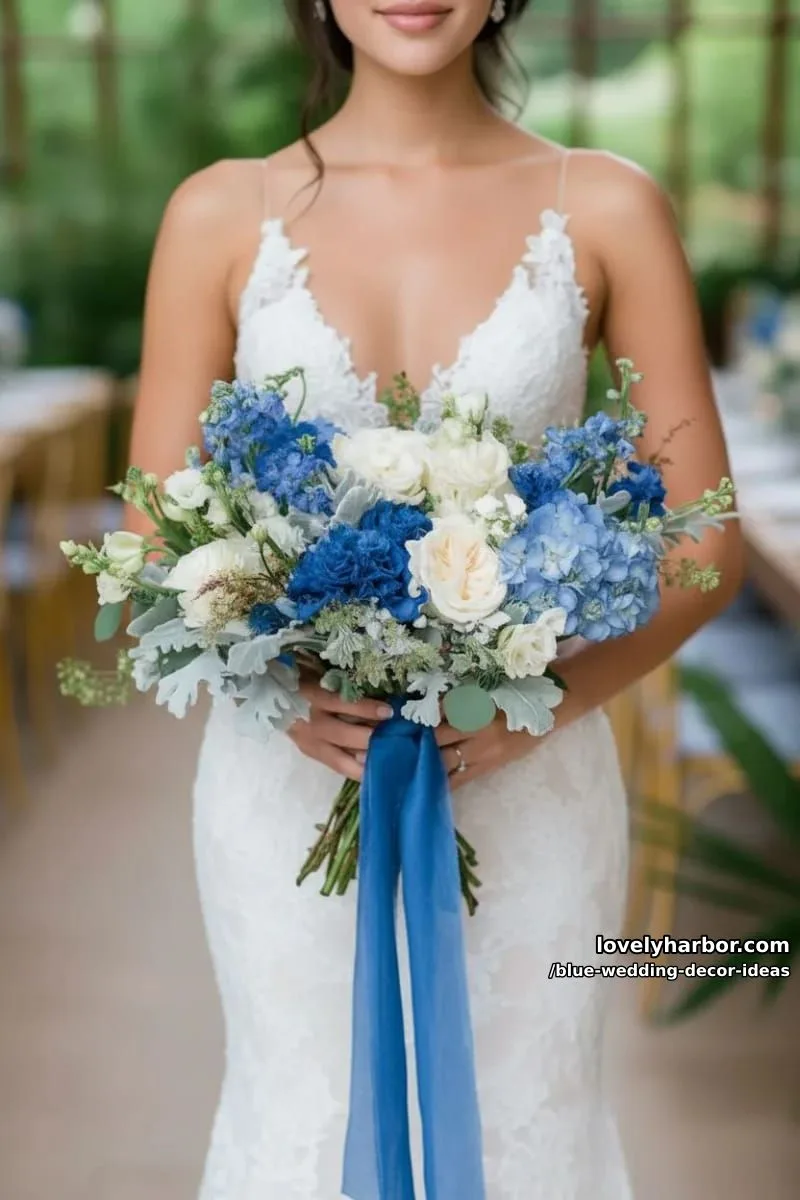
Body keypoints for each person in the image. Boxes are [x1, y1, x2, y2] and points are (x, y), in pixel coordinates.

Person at [126, 0, 743, 1194]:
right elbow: (152, 536)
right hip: (290, 779)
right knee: (300, 1114)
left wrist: (536, 702)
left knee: (530, 1122)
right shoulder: (217, 213)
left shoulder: (605, 205)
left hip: (530, 778)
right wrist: (281, 691)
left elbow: (703, 540)